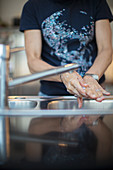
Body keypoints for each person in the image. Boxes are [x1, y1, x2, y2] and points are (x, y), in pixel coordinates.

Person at [20, 0, 113, 108]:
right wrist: (63, 75)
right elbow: (33, 61)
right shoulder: (32, 6)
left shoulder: (97, 2)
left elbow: (105, 49)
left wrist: (91, 77)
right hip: (52, 96)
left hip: (93, 93)